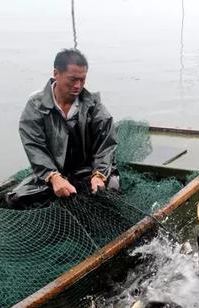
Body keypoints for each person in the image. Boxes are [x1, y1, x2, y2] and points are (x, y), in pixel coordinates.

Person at [6, 49, 119, 209]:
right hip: (54, 172)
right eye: (72, 79)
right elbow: (34, 147)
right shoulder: (36, 106)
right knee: (16, 198)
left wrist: (99, 175)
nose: (77, 85)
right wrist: (53, 177)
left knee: (110, 189)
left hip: (89, 170)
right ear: (56, 73)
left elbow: (106, 145)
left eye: (82, 79)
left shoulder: (94, 106)